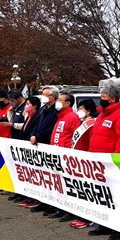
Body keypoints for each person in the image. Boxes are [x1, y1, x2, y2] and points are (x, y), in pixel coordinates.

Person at [86, 83, 120, 240]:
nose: (101, 99)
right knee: (103, 196)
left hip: (111, 163)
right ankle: (104, 224)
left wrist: (116, 160)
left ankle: (118, 228)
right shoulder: (102, 114)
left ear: (112, 99)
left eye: (103, 97)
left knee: (115, 197)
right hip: (98, 162)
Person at [18, 86, 60, 211]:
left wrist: (38, 136)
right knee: (39, 175)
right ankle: (41, 200)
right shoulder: (43, 109)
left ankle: (49, 203)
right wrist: (33, 134)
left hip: (46, 144)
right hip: (37, 144)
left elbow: (51, 128)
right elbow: (36, 125)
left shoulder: (55, 111)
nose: (43, 96)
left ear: (53, 97)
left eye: (45, 94)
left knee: (48, 176)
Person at [47, 93, 82, 221]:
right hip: (57, 156)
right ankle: (60, 208)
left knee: (67, 185)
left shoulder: (72, 117)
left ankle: (70, 211)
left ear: (67, 103)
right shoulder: (60, 117)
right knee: (59, 184)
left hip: (66, 157)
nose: (58, 102)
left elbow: (75, 138)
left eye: (60, 100)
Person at [69, 99, 98, 229]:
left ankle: (87, 218)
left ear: (88, 111)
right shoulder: (82, 123)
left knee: (86, 190)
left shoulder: (92, 123)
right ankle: (81, 215)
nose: (79, 111)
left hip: (85, 160)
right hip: (77, 160)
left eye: (81, 108)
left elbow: (92, 142)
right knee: (79, 190)